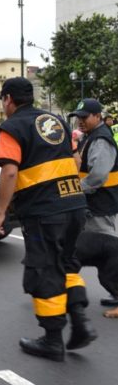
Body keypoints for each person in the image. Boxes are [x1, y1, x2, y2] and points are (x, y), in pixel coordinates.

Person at [0, 77, 95, 362]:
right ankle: (81, 321)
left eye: (3, 99)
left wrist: (1, 213)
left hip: (45, 212)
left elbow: (9, 172)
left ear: (9, 99)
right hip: (74, 204)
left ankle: (51, 340)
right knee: (67, 263)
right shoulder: (56, 121)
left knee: (45, 270)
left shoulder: (11, 128)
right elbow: (74, 161)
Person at [69, 99, 118, 311]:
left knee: (109, 254)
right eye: (78, 117)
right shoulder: (91, 137)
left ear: (98, 116)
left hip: (102, 205)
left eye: (85, 117)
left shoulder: (101, 139)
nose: (80, 121)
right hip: (95, 204)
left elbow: (98, 176)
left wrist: (75, 190)